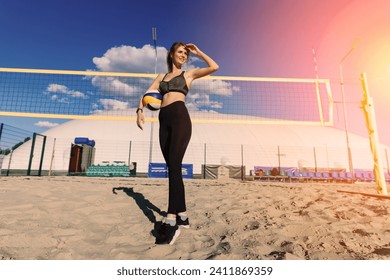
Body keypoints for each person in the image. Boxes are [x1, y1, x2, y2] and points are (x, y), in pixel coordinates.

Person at [136, 42, 219, 245]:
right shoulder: (161, 78)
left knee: (174, 166)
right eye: (180, 52)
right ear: (171, 54)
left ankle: (171, 219)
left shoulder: (188, 74)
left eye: (185, 53)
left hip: (181, 118)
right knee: (172, 168)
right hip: (163, 121)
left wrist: (198, 51)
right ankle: (183, 215)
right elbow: (146, 96)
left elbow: (214, 66)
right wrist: (139, 111)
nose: (183, 55)